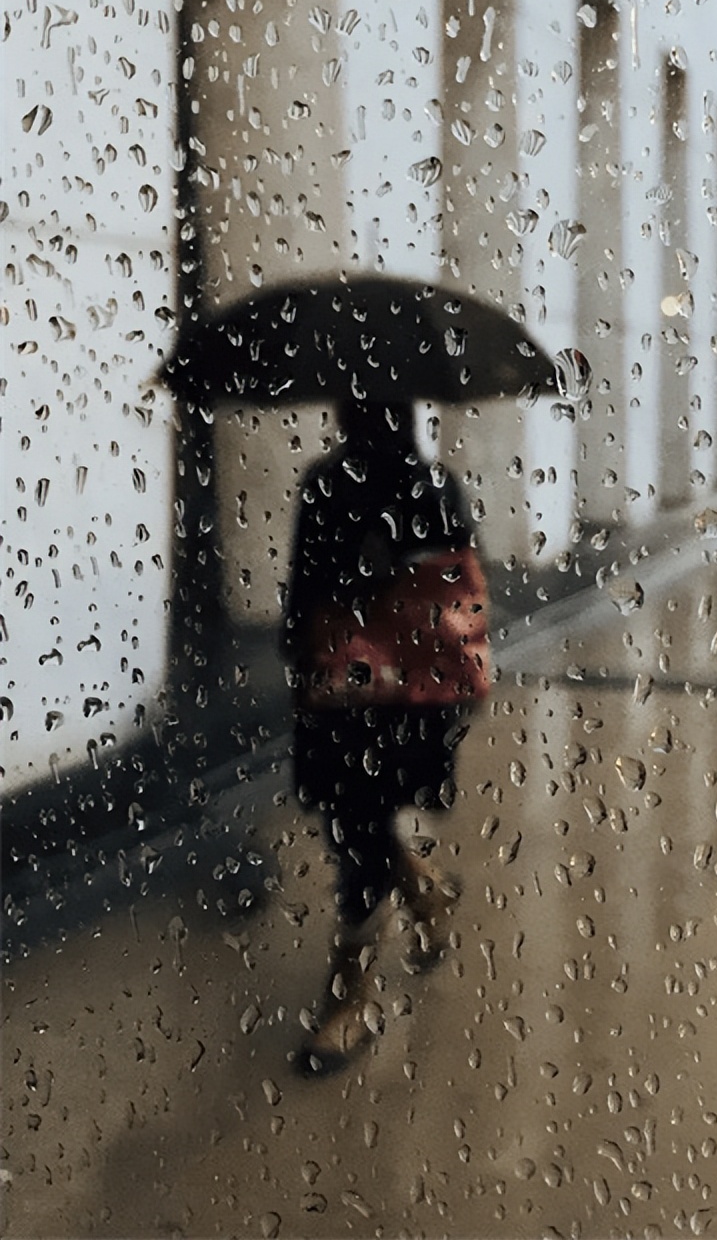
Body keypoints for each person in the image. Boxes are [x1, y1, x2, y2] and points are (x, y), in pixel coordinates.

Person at [283, 394, 488, 1076]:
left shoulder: (432, 489)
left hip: (408, 694)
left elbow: (450, 592)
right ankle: (425, 887)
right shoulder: (326, 484)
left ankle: (352, 995)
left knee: (360, 829)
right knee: (356, 821)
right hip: (344, 690)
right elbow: (304, 587)